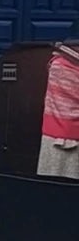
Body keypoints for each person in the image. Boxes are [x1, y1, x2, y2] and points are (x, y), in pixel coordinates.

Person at [37, 26, 79, 181]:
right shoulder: (61, 66)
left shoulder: (57, 64)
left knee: (54, 192)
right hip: (60, 140)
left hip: (54, 137)